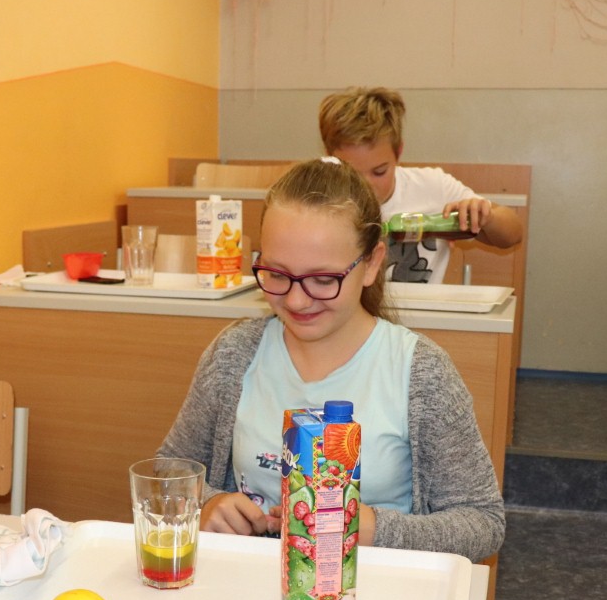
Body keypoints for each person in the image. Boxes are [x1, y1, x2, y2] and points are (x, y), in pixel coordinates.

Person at [156, 157, 504, 561]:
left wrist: (371, 528)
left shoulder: (420, 372)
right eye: (277, 274)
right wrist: (207, 504)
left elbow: (483, 522)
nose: (296, 300)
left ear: (372, 264)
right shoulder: (234, 354)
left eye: (324, 280)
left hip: (378, 588)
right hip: (252, 581)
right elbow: (169, 470)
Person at [318, 86, 524, 284]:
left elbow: (513, 234)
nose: (367, 187)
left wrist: (486, 216)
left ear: (398, 152)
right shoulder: (316, 194)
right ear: (329, 158)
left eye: (379, 172)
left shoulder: (433, 187)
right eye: (353, 174)